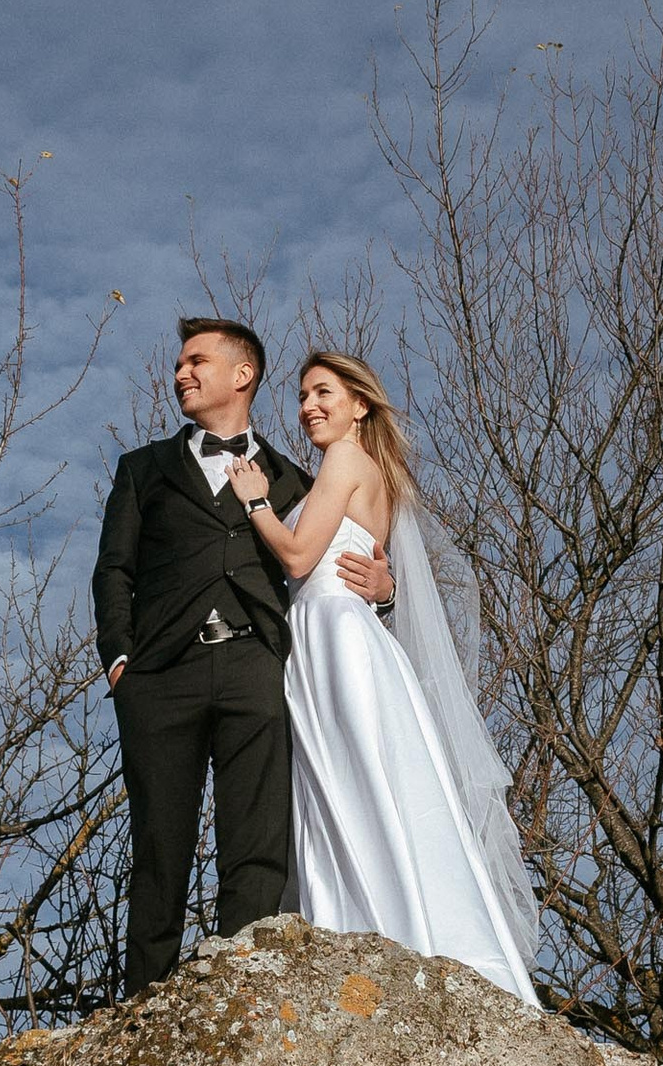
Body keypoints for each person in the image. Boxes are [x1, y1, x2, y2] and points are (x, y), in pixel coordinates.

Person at [92, 316, 394, 995]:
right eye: (177, 364)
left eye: (195, 360)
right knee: (158, 850)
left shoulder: (292, 478)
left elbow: (342, 551)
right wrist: (120, 661)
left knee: (258, 847)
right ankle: (141, 1008)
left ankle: (244, 1001)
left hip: (259, 668)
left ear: (242, 374)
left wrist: (386, 588)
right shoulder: (142, 469)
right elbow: (114, 570)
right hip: (160, 677)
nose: (180, 374)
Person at [230, 350, 539, 1002]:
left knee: (356, 789)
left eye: (324, 393)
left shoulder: (345, 458)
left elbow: (296, 555)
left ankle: (380, 935)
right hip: (330, 637)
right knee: (349, 790)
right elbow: (361, 563)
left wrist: (256, 502)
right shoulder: (367, 473)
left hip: (338, 639)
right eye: (303, 396)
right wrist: (385, 587)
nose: (309, 406)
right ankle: (372, 932)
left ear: (360, 404)